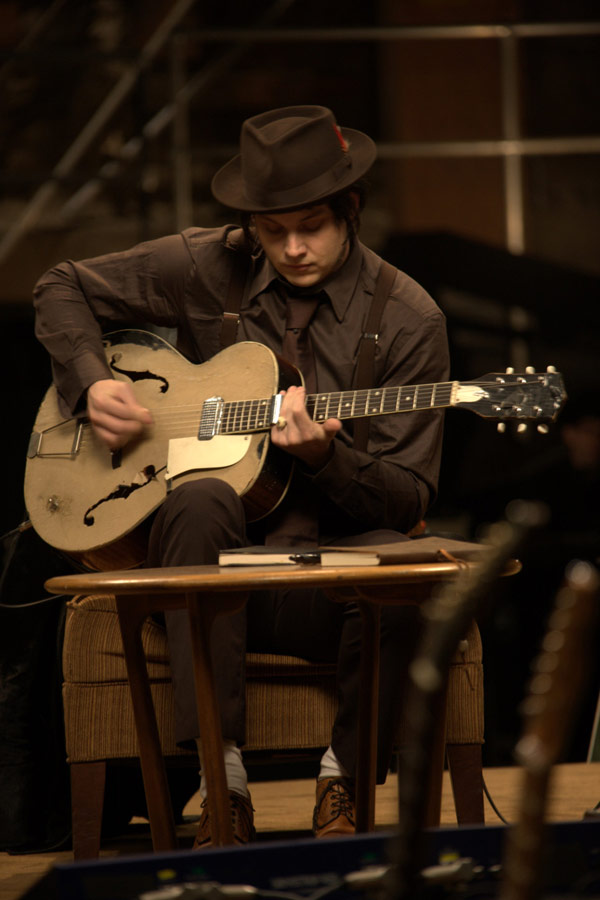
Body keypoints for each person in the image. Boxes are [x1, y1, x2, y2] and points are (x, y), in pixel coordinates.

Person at [32, 105, 450, 846]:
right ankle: (220, 786)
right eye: (272, 230)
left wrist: (327, 455)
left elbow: (409, 494)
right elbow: (61, 286)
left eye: (311, 226)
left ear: (350, 209)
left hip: (329, 576)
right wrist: (93, 383)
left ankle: (343, 782)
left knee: (415, 567)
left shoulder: (410, 317)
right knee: (197, 498)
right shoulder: (205, 261)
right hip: (212, 573)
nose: (292, 248)